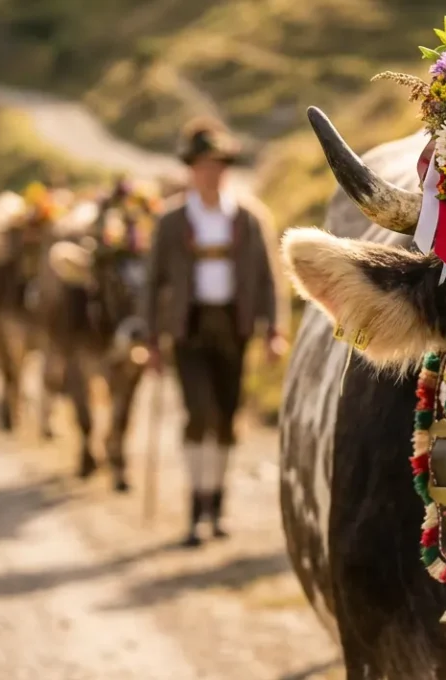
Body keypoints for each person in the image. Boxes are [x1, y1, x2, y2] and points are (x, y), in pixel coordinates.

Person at [142, 117, 286, 548]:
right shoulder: (170, 222)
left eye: (219, 164)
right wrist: (149, 340)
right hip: (188, 329)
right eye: (203, 165)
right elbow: (153, 284)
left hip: (234, 327)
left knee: (226, 418)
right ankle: (195, 507)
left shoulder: (248, 217)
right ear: (190, 169)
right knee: (199, 414)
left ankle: (217, 505)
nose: (211, 172)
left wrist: (274, 330)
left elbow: (269, 277)